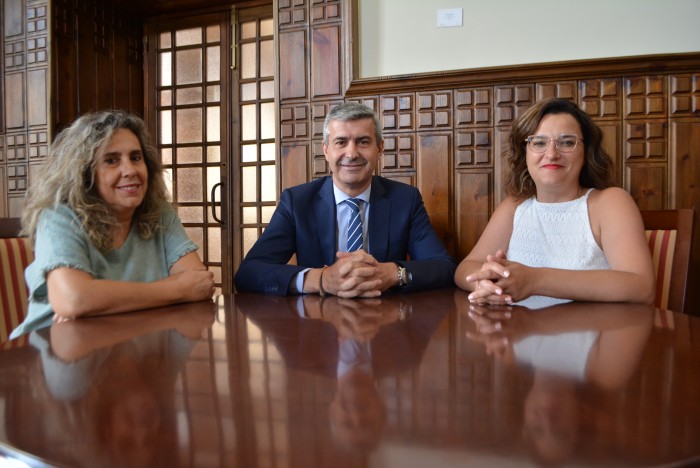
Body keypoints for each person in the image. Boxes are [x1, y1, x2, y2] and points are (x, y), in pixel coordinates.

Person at [10, 110, 215, 338]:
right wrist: (178, 289)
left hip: (135, 343)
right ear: (84, 173)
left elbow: (199, 283)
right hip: (51, 354)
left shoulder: (159, 212)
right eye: (111, 160)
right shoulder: (58, 216)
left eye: (136, 158)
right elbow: (74, 300)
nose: (129, 170)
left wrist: (97, 303)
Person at [235, 102, 456, 297]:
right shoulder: (297, 201)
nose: (351, 153)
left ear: (379, 148)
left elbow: (443, 267)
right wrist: (321, 279)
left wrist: (392, 273)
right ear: (326, 150)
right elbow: (249, 272)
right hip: (317, 327)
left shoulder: (405, 199)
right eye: (341, 142)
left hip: (386, 325)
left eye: (363, 142)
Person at [454, 98, 655, 305]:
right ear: (525, 154)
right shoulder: (514, 207)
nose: (551, 154)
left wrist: (536, 280)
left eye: (567, 142)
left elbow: (641, 286)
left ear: (586, 153)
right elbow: (466, 267)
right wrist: (484, 283)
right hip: (516, 333)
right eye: (539, 143)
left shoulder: (610, 202)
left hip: (593, 334)